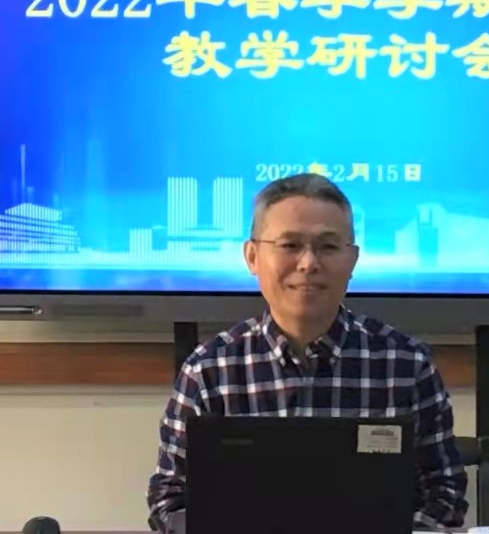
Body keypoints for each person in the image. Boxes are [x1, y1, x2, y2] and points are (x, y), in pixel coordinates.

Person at [146, 173, 468, 533]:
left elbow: (446, 493)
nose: (308, 263)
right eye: (290, 245)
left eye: (328, 247)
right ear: (252, 256)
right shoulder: (209, 371)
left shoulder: (406, 366)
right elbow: (168, 499)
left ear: (352, 260)